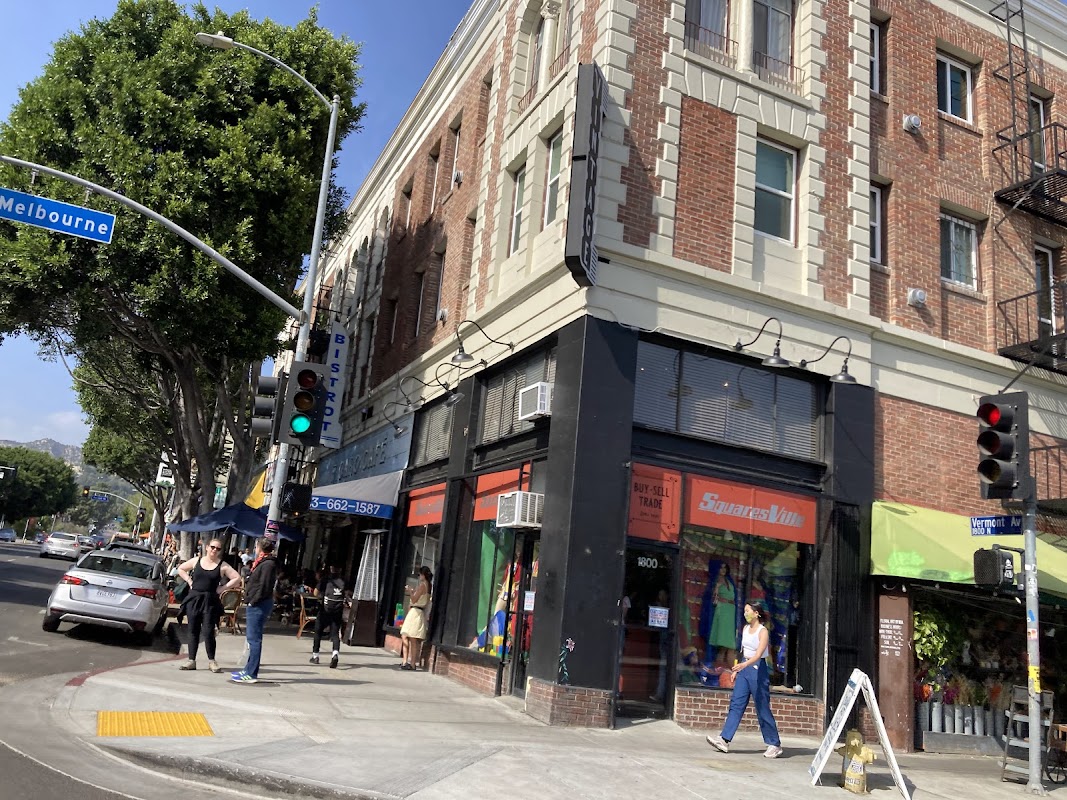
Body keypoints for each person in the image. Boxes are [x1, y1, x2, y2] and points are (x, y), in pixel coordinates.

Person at [705, 601, 783, 759]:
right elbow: (743, 651)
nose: (745, 613)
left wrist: (744, 665)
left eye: (748, 611)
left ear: (756, 613)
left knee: (762, 706)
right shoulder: (746, 629)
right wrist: (737, 669)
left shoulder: (763, 632)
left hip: (757, 669)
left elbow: (758, 654)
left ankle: (774, 744)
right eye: (745, 611)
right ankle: (724, 739)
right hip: (744, 668)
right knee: (736, 703)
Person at [175, 538, 242, 673]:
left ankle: (212, 661)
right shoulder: (196, 561)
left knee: (208, 631)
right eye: (212, 547)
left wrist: (222, 588)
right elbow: (181, 569)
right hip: (194, 599)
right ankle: (191, 660)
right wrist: (189, 581)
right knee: (193, 630)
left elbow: (237, 578)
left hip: (210, 602)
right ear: (207, 547)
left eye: (218, 549)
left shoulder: (222, 565)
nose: (214, 550)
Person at [232, 537, 278, 685]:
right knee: (252, 639)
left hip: (259, 604)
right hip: (257, 603)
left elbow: (264, 586)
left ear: (260, 548)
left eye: (256, 546)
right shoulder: (263, 563)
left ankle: (251, 673)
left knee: (254, 639)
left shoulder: (268, 564)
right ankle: (248, 669)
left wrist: (253, 600)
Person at [310, 565, 349, 668]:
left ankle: (315, 656)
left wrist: (321, 597)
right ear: (340, 570)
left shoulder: (325, 580)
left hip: (324, 610)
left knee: (318, 631)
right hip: (337, 611)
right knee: (335, 634)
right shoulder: (344, 581)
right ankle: (335, 654)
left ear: (331, 569)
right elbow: (347, 594)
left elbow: (315, 593)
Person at [399, 566, 432, 670]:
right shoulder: (429, 585)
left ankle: (410, 663)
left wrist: (410, 591)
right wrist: (414, 591)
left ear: (423, 575)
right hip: (419, 612)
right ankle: (407, 662)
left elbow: (414, 599)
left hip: (415, 612)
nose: (419, 576)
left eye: (419, 574)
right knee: (410, 636)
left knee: (408, 636)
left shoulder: (423, 585)